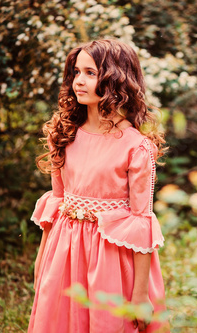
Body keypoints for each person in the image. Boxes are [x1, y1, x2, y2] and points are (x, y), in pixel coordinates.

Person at [28, 39, 169, 333]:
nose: (79, 81)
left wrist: (140, 295)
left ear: (115, 80)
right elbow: (56, 203)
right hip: (64, 254)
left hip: (111, 260)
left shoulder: (136, 147)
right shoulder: (64, 133)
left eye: (90, 73)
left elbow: (141, 222)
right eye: (76, 72)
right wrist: (42, 259)